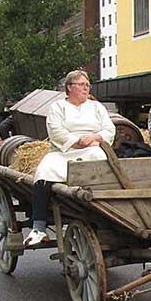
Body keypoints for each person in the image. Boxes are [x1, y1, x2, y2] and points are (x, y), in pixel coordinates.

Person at [23, 70, 116, 246]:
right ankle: (38, 227)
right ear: (69, 87)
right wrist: (77, 141)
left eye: (87, 85)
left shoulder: (97, 107)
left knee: (99, 158)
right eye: (81, 85)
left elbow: (109, 130)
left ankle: (102, 216)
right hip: (63, 151)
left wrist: (95, 137)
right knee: (45, 169)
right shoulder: (57, 107)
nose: (86, 88)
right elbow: (56, 131)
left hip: (92, 149)